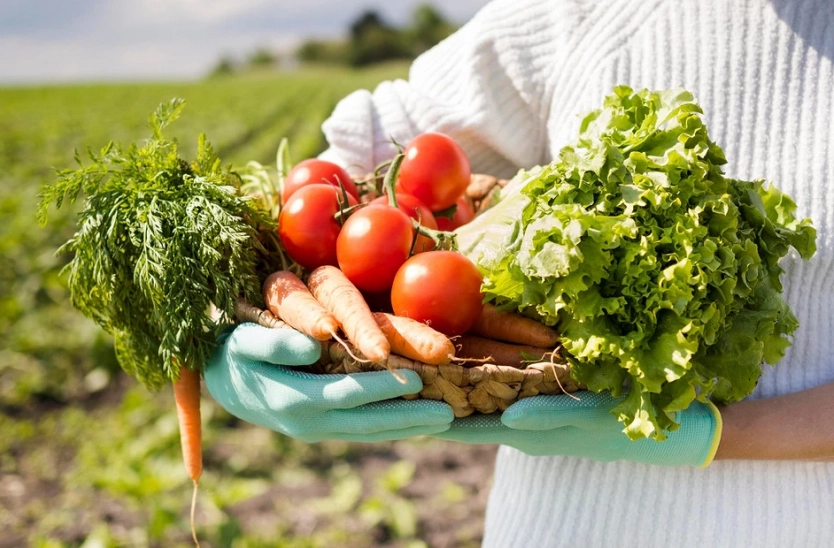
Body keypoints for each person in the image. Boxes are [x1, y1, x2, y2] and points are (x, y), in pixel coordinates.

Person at [205, 0, 834, 545]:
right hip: (559, 528)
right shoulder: (585, 13)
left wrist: (707, 434)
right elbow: (353, 167)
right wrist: (220, 319)